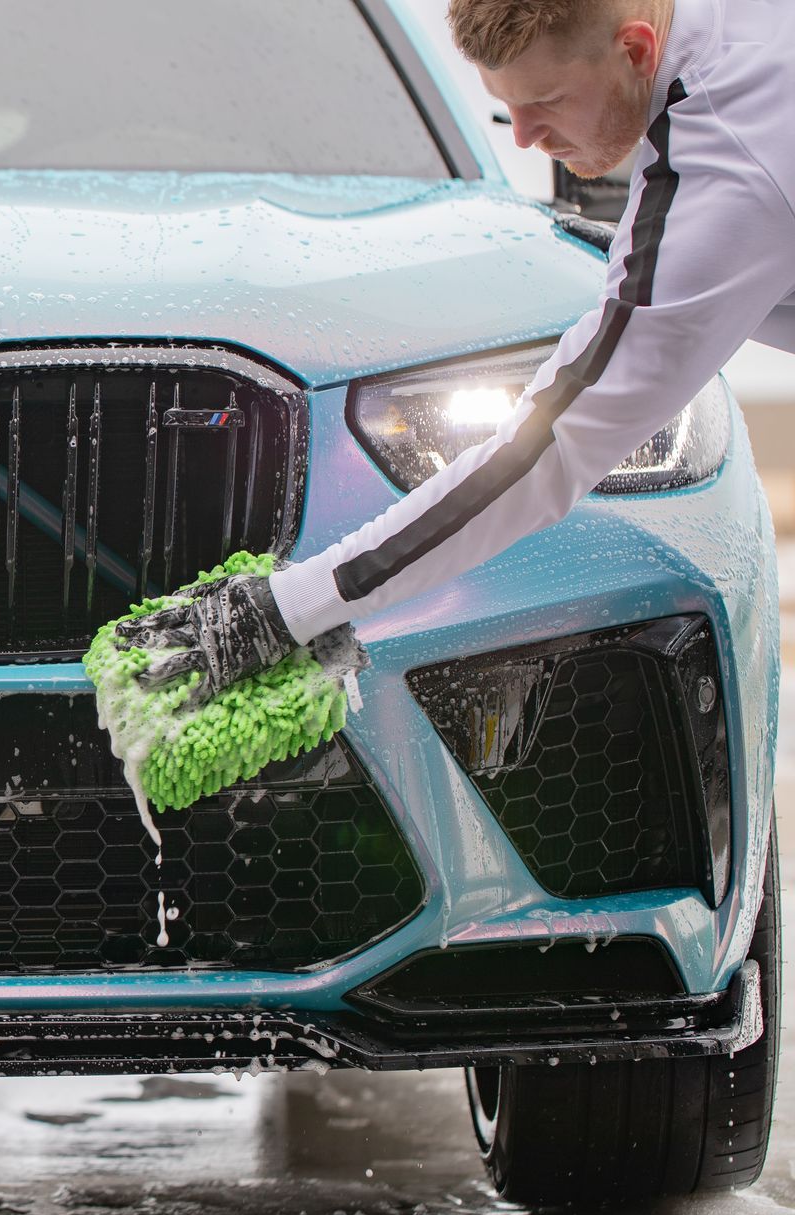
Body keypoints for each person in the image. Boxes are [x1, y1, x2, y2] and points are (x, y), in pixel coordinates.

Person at [127, 0, 795, 700]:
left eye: (547, 101)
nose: (528, 138)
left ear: (635, 51)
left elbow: (548, 453)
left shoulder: (722, 160)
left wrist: (289, 607)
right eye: (507, 108)